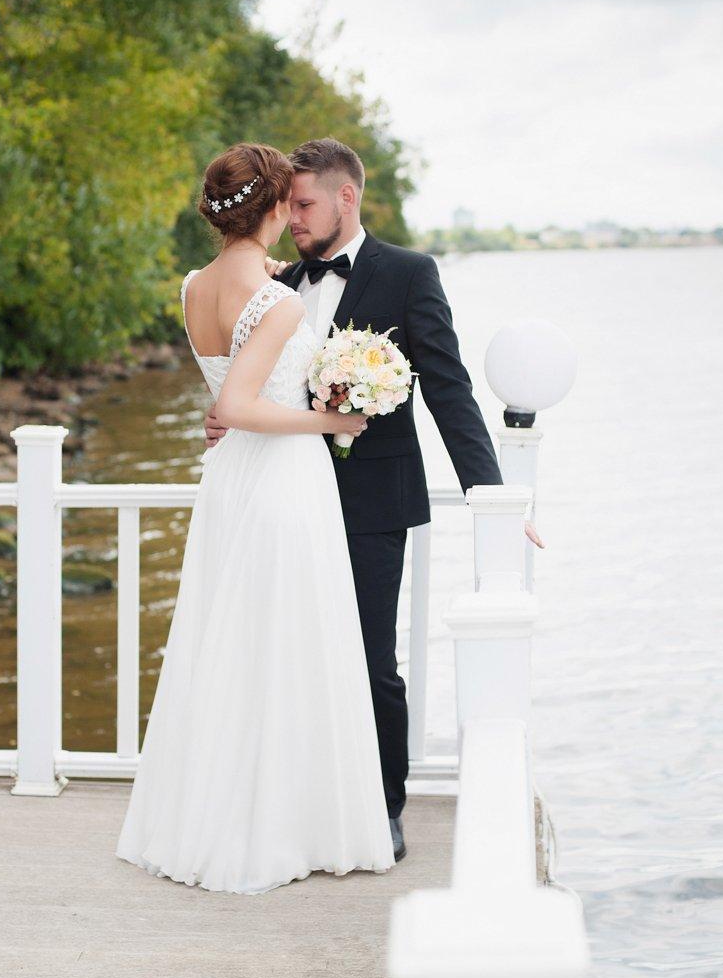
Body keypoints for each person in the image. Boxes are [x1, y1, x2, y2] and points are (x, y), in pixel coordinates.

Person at [203, 137, 545, 863]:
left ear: (346, 197)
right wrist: (225, 416)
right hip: (281, 500)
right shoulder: (279, 281)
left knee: (369, 662)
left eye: (304, 204)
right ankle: (299, 806)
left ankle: (383, 807)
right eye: (287, 205)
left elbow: (448, 390)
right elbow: (252, 387)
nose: (293, 218)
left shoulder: (410, 274)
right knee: (290, 655)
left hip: (371, 506)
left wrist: (494, 499)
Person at [115, 142, 396, 895]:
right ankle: (283, 827)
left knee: (231, 643)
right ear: (273, 205)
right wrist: (332, 423)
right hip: (281, 481)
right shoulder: (280, 301)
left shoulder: (194, 286)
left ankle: (208, 817)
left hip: (230, 479)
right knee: (286, 644)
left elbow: (225, 388)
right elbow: (238, 404)